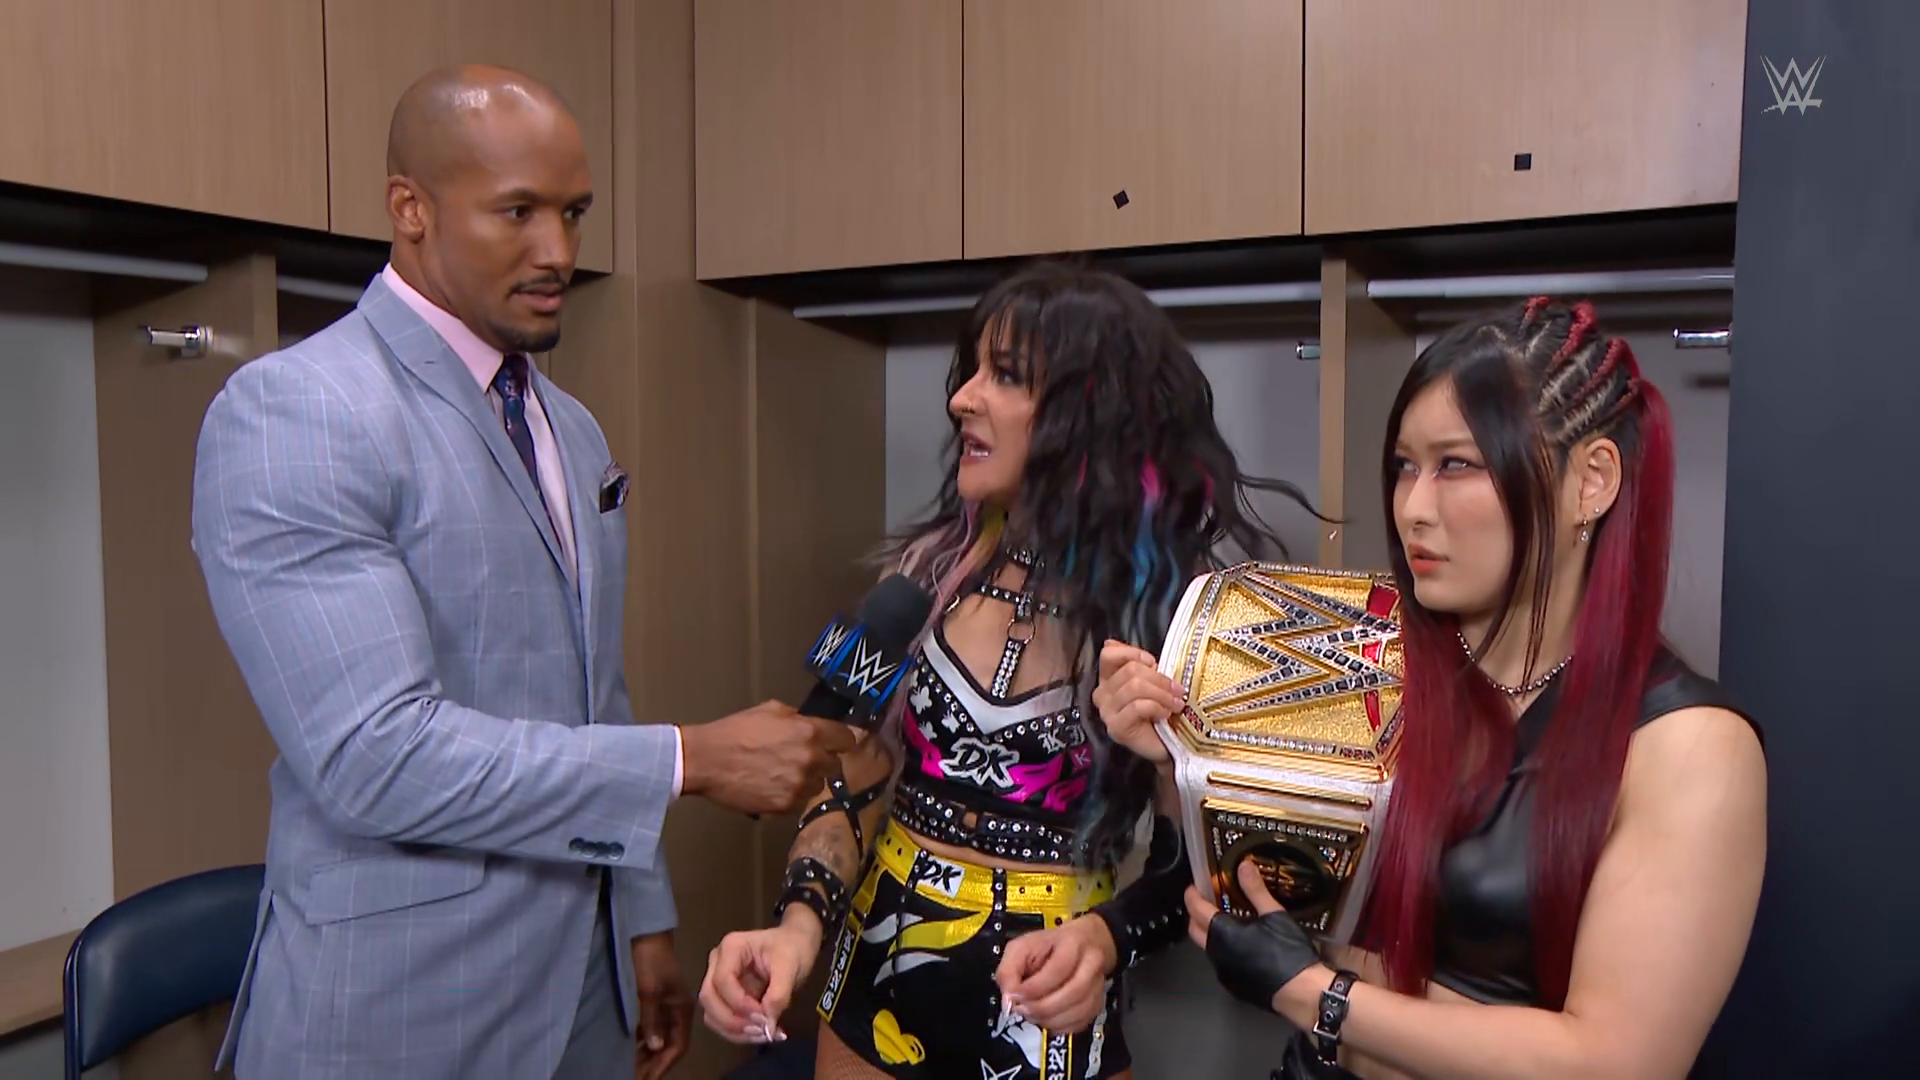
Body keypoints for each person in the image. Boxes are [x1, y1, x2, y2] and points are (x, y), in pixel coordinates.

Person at [190, 64, 853, 1080]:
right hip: (403, 1010)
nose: (559, 252)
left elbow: (592, 695)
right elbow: (375, 755)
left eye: (573, 213)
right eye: (518, 212)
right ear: (409, 208)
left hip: (584, 985)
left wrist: (641, 922)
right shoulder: (299, 411)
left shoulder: (568, 425)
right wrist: (689, 761)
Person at [1095, 297, 1768, 1079]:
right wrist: (1182, 760)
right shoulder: (1370, 666)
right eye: (1404, 468)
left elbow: (1616, 1064)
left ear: (1592, 481)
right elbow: (1282, 903)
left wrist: (1318, 994)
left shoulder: (1691, 747)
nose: (1413, 508)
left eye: (1456, 466)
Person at [697, 261, 1321, 1079]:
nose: (962, 398)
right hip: (870, 999)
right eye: (972, 371)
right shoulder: (915, 581)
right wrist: (797, 925)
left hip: (1050, 1026)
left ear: (1090, 413)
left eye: (1007, 376)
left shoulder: (1176, 624)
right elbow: (846, 784)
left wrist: (1105, 938)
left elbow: (1198, 872)